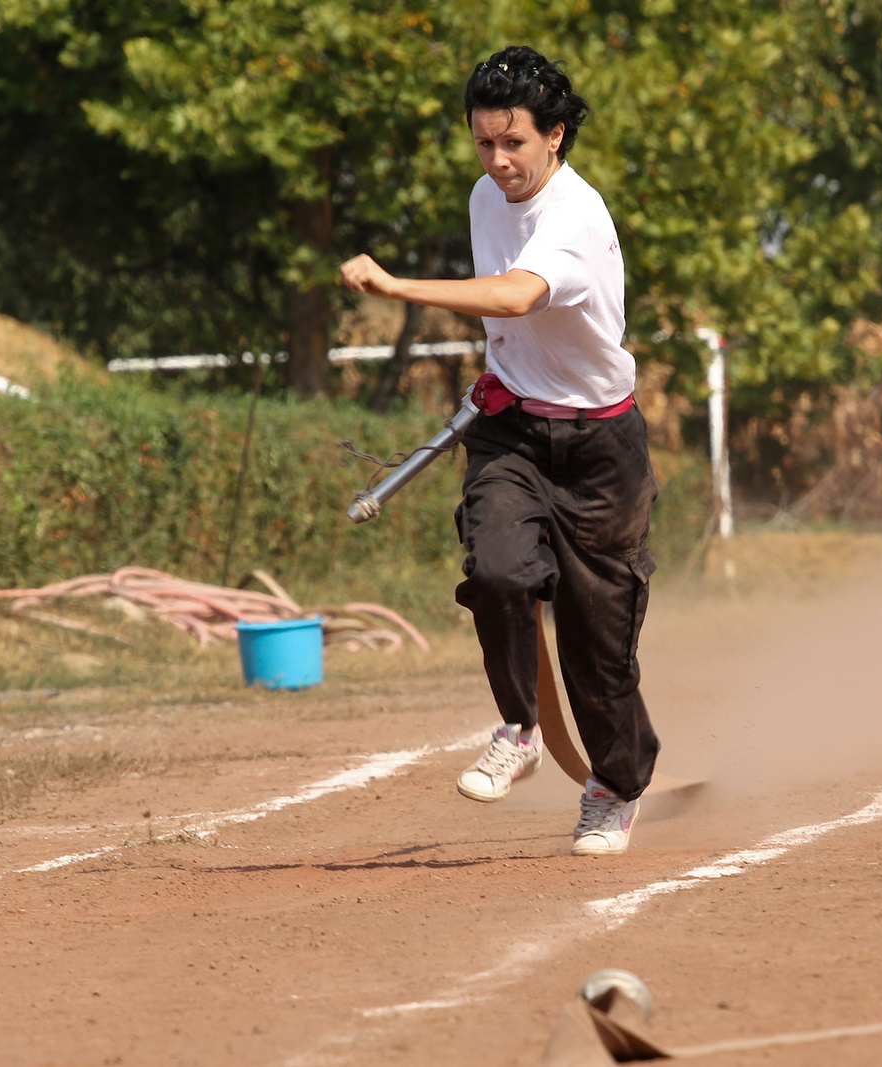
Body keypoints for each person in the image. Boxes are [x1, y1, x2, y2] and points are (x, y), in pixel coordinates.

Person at [340, 45, 657, 857]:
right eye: (485, 143)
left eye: (514, 142)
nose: (498, 161)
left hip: (599, 448)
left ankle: (614, 785)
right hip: (512, 428)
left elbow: (516, 293)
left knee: (597, 645)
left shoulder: (575, 217)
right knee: (496, 571)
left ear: (555, 135)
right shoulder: (487, 194)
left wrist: (397, 286)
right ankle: (519, 726)